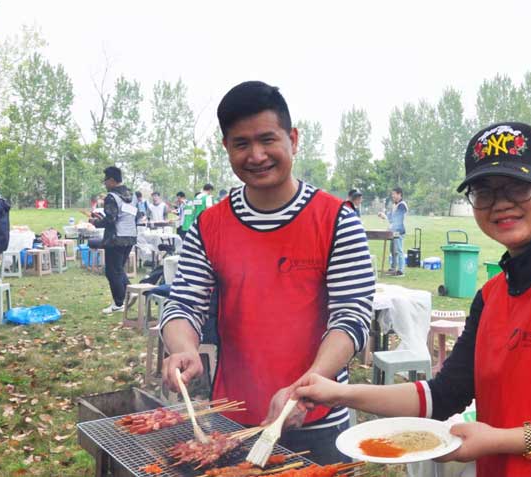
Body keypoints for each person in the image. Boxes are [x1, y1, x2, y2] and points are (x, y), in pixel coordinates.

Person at [295, 122, 531, 477]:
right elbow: (445, 394)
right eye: (484, 192)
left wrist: (503, 440)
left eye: (518, 187)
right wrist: (337, 393)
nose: (500, 204)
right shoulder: (493, 294)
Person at [159, 81, 375, 464]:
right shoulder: (210, 225)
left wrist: (305, 389)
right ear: (226, 148)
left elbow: (352, 316)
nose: (256, 155)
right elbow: (184, 304)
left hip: (319, 421)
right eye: (241, 144)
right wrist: (184, 348)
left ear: (293, 139)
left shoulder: (336, 220)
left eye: (267, 140)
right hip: (231, 421)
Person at [90, 166, 138, 314]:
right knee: (118, 269)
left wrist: (95, 222)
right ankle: (131, 293)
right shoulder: (133, 196)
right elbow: (136, 215)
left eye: (105, 180)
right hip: (130, 236)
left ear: (111, 180)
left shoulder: (111, 197)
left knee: (112, 271)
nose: (104, 183)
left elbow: (110, 219)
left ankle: (118, 303)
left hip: (116, 238)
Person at [377, 187, 408, 276]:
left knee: (399, 250)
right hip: (393, 231)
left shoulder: (402, 205)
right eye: (392, 194)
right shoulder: (395, 205)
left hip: (399, 231)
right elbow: (391, 219)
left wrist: (386, 217)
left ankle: (401, 270)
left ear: (399, 194)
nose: (392, 196)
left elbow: (398, 219)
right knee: (393, 250)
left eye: (394, 194)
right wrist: (384, 216)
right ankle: (393, 268)